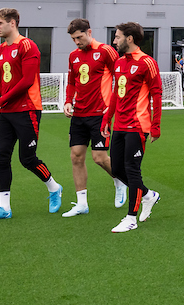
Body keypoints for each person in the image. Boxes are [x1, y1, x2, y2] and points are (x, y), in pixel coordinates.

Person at [0, 8, 63, 221]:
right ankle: (4, 207)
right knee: (1, 156)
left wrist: (1, 101)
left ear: (12, 23)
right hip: (6, 112)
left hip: (27, 110)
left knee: (27, 158)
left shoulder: (27, 45)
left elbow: (26, 81)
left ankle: (54, 188)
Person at [101, 22, 163, 232]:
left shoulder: (147, 62)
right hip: (119, 124)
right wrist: (107, 119)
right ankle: (148, 195)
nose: (114, 41)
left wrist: (156, 125)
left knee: (132, 170)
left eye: (117, 37)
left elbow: (157, 94)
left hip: (138, 125)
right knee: (117, 169)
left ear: (129, 38)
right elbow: (115, 95)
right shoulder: (118, 63)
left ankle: (130, 218)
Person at [61, 19, 126, 217]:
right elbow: (72, 81)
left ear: (89, 32)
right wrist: (67, 101)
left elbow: (120, 76)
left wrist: (116, 106)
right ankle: (82, 203)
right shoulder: (73, 56)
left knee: (99, 158)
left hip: (100, 114)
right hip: (79, 114)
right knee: (76, 157)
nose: (77, 42)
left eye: (79, 37)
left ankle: (119, 179)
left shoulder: (106, 51)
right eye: (73, 39)